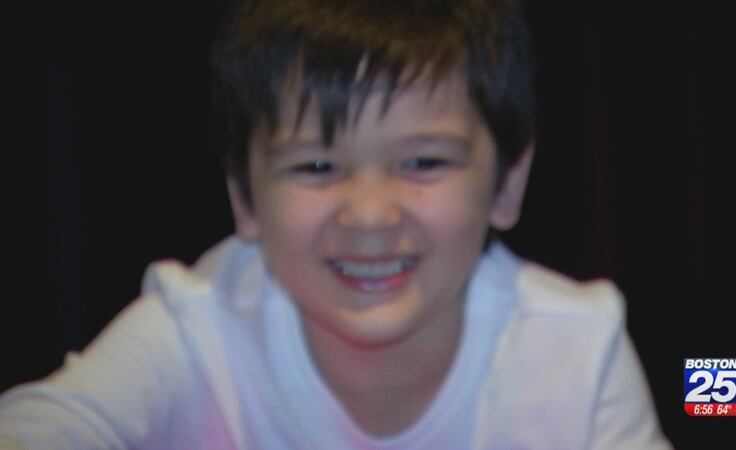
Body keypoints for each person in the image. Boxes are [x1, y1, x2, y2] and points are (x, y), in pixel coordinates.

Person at [0, 0, 672, 448]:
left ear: (508, 184)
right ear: (243, 198)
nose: (370, 215)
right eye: (317, 166)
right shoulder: (198, 332)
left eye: (423, 161)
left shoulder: (578, 350)